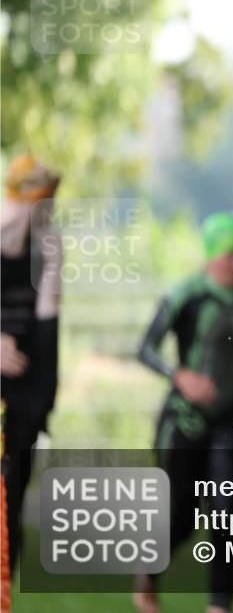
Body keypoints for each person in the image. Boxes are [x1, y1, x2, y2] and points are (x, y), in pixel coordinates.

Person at [134, 212, 233, 613]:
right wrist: (179, 375)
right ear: (212, 256)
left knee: (228, 512)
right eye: (231, 255)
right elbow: (144, 349)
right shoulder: (188, 294)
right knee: (180, 514)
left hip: (229, 420)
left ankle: (220, 605)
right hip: (184, 420)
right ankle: (147, 577)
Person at [1, 155, 61, 579]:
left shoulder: (45, 250)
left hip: (23, 397)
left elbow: (47, 329)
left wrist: (53, 267)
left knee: (11, 505)